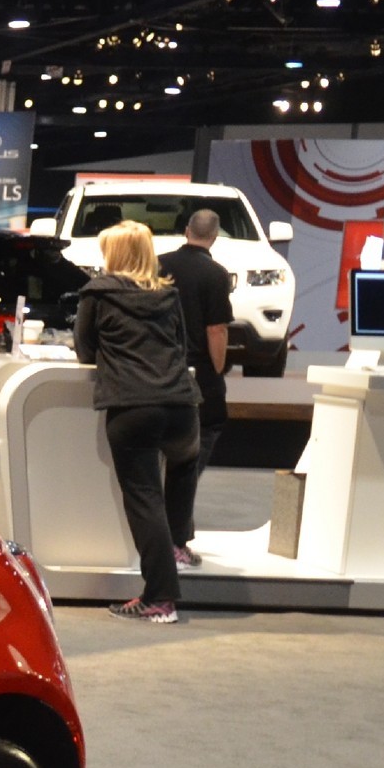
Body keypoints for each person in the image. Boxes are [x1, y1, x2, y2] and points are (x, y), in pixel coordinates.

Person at [75, 220, 202, 624]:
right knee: (183, 466)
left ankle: (161, 598)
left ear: (113, 255)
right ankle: (178, 546)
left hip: (133, 407)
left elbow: (84, 351)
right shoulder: (168, 294)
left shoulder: (98, 293)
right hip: (182, 406)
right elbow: (181, 346)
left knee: (144, 499)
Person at [162, 208, 235, 563]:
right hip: (199, 376)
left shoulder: (159, 264)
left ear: (187, 230)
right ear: (215, 237)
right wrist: (217, 369)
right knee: (192, 456)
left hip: (160, 369)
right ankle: (176, 538)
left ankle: (164, 532)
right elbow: (216, 329)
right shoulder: (216, 274)